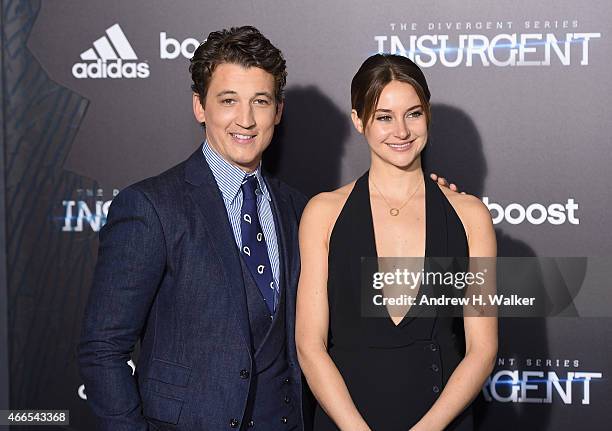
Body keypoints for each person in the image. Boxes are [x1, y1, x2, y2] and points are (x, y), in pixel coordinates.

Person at [78, 26, 309, 430]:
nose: (246, 119)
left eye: (260, 101)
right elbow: (103, 350)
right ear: (200, 107)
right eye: (228, 101)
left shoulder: (298, 208)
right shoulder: (152, 206)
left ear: (279, 111)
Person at [295, 54, 498, 431]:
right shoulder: (323, 213)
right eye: (384, 116)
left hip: (441, 421)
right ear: (358, 120)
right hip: (347, 422)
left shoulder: (470, 216)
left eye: (413, 114)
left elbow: (482, 350)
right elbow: (309, 345)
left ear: (428, 115)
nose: (401, 131)